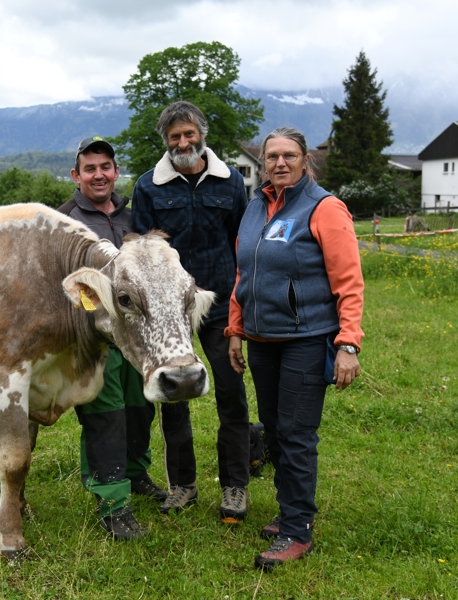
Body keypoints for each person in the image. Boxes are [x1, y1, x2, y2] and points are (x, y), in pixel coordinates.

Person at [226, 126, 364, 571]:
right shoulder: (254, 209)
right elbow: (243, 275)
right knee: (274, 429)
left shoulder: (325, 208)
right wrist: (235, 329)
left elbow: (349, 282)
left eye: (289, 155)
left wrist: (348, 343)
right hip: (263, 342)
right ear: (263, 162)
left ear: (305, 160)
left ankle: (297, 529)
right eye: (272, 156)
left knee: (297, 433)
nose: (280, 163)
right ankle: (290, 511)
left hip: (307, 338)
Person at [130, 101, 252, 525]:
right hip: (172, 309)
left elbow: (242, 242)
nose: (183, 142)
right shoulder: (149, 187)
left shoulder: (231, 181)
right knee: (174, 398)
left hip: (218, 304)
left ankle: (235, 487)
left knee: (230, 393)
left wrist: (240, 301)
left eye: (189, 134)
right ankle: (183, 485)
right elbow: (143, 253)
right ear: (165, 141)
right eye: (174, 136)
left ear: (202, 133)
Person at [58, 136, 169, 541]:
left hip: (134, 334)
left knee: (140, 406)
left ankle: (137, 474)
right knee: (106, 416)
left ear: (116, 171)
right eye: (90, 168)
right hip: (91, 337)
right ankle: (112, 503)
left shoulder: (132, 218)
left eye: (105, 166)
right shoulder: (65, 220)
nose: (99, 174)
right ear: (77, 175)